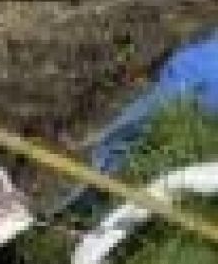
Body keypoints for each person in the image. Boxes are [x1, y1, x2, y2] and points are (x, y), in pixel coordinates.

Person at [55, 25, 218, 215]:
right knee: (120, 144)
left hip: (191, 90)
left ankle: (83, 206)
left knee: (123, 145)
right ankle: (81, 204)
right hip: (185, 84)